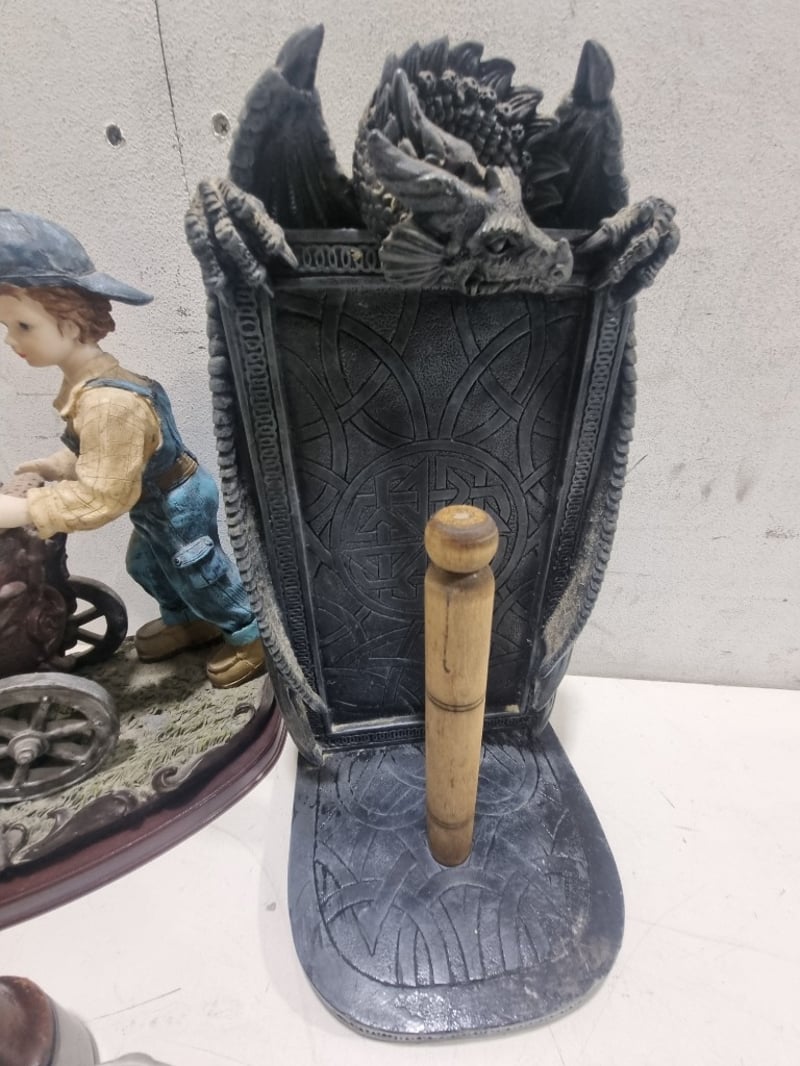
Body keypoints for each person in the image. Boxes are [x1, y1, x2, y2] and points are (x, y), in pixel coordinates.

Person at [0, 209, 265, 687]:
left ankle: (249, 632)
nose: (11, 340)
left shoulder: (109, 404)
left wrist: (26, 510)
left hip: (173, 498)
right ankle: (190, 621)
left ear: (70, 322)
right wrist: (58, 466)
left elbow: (103, 496)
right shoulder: (86, 386)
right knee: (145, 564)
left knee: (197, 570)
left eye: (23, 325)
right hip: (151, 496)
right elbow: (99, 457)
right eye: (7, 326)